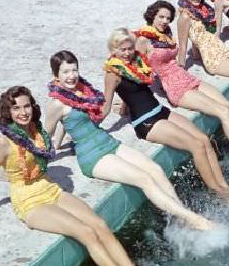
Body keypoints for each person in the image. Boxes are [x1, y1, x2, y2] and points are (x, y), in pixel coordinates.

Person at [0, 86, 164, 266]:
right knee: (86, 232)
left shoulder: (37, 130)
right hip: (30, 202)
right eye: (16, 108)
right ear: (7, 112)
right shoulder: (4, 142)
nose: (22, 112)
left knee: (99, 224)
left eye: (26, 106)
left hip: (50, 188)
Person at [45, 50, 215, 231]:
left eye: (74, 70)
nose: (71, 76)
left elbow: (69, 121)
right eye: (65, 72)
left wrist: (58, 143)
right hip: (93, 155)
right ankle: (195, 220)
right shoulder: (56, 104)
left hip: (108, 142)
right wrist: (47, 154)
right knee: (144, 179)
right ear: (56, 75)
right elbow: (47, 131)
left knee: (155, 169)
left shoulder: (82, 91)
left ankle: (181, 216)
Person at [137, 0, 229, 167]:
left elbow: (180, 55)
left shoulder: (165, 33)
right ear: (152, 15)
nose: (165, 21)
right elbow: (134, 71)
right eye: (161, 17)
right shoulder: (143, 39)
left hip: (187, 78)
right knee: (223, 112)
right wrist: (125, 104)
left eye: (167, 18)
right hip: (176, 88)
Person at [102, 28, 229, 198]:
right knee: (196, 146)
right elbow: (105, 107)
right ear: (113, 50)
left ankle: (224, 186)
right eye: (121, 49)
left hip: (160, 110)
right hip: (146, 122)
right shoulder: (113, 73)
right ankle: (220, 193)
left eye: (129, 48)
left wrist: (125, 109)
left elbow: (133, 89)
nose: (127, 53)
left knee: (204, 140)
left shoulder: (137, 62)